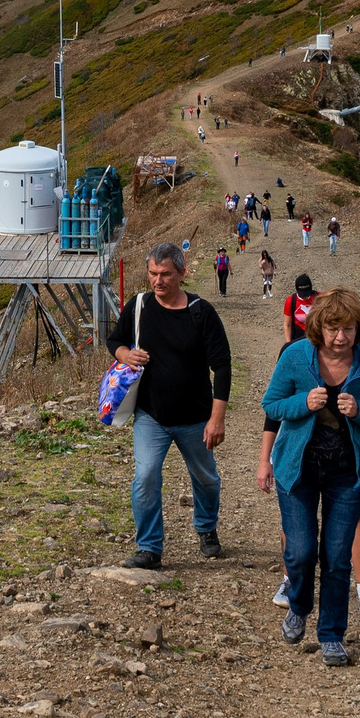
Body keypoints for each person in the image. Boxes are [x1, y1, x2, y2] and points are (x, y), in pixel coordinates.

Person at [260, 287, 360, 669]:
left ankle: (332, 635)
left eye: (349, 329)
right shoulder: (295, 357)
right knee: (301, 551)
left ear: (359, 329)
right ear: (319, 328)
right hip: (297, 468)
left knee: (336, 558)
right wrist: (302, 404)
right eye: (334, 329)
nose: (341, 337)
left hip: (347, 473)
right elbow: (270, 404)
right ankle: (299, 606)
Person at [106, 244, 232, 569]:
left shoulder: (201, 312)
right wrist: (125, 355)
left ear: (181, 273)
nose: (158, 281)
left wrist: (217, 418)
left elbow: (223, 366)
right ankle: (149, 548)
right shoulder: (139, 306)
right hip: (151, 414)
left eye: (165, 275)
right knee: (145, 476)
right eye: (152, 274)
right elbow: (114, 340)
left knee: (206, 478)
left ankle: (206, 528)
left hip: (196, 417)